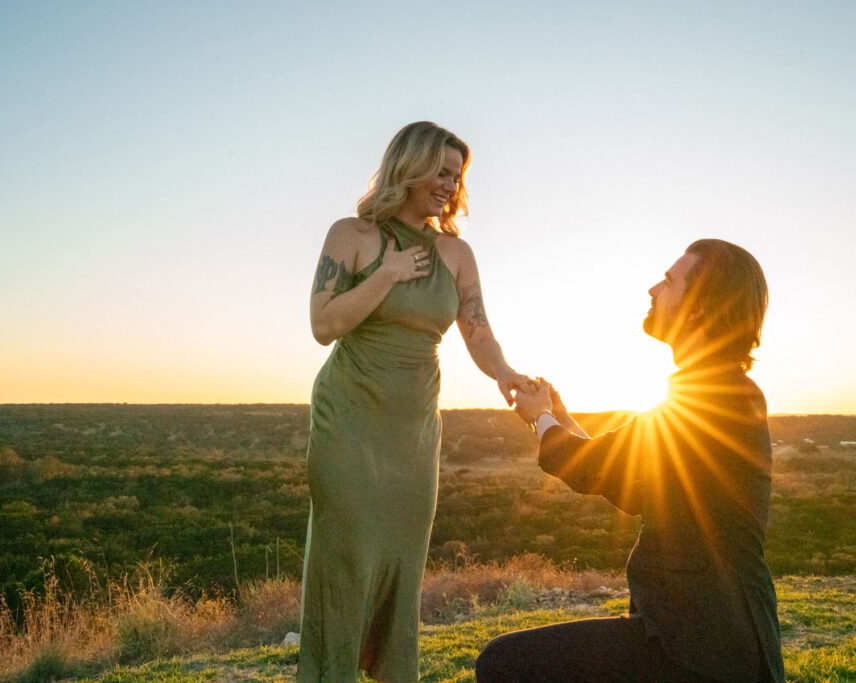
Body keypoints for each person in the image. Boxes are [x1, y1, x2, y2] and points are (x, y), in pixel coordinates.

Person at [476, 239, 785, 682]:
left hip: (705, 648)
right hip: (697, 640)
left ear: (698, 308)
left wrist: (542, 418)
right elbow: (629, 487)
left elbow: (595, 466)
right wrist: (559, 417)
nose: (653, 289)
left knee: (504, 663)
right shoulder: (718, 390)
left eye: (669, 281)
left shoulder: (716, 397)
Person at [301, 121, 530, 682]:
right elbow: (323, 325)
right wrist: (388, 274)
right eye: (442, 172)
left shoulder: (456, 253)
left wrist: (505, 373)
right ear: (409, 167)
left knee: (403, 560)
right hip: (349, 418)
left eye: (458, 176)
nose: (451, 185)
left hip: (413, 429)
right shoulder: (351, 235)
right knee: (345, 555)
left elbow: (477, 331)